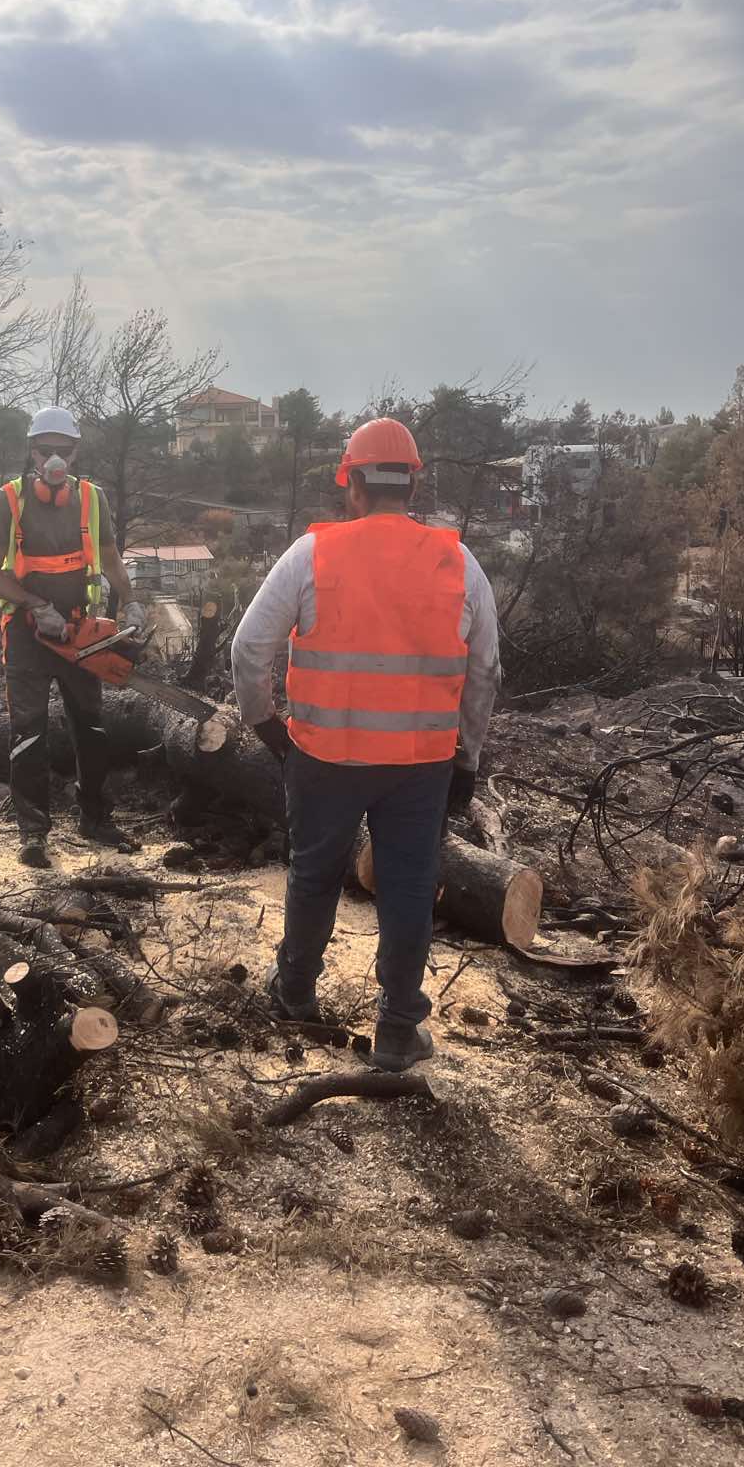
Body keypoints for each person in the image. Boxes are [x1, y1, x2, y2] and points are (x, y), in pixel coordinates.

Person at [230, 416, 500, 1070]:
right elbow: (486, 672)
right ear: (413, 484)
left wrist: (270, 730)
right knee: (409, 887)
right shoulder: (458, 563)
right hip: (420, 768)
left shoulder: (310, 555)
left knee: (314, 876)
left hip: (322, 759)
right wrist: (467, 758)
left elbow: (247, 650)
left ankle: (294, 994)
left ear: (350, 483)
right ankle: (398, 1029)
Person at [0, 406, 147, 868]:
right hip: (28, 634)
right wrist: (35, 606)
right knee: (28, 731)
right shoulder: (8, 500)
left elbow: (111, 559)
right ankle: (33, 832)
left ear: (74, 453)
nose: (54, 458)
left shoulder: (92, 499)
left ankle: (95, 816)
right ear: (32, 451)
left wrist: (130, 599)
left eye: (62, 450)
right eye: (44, 450)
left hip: (78, 631)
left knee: (91, 726)